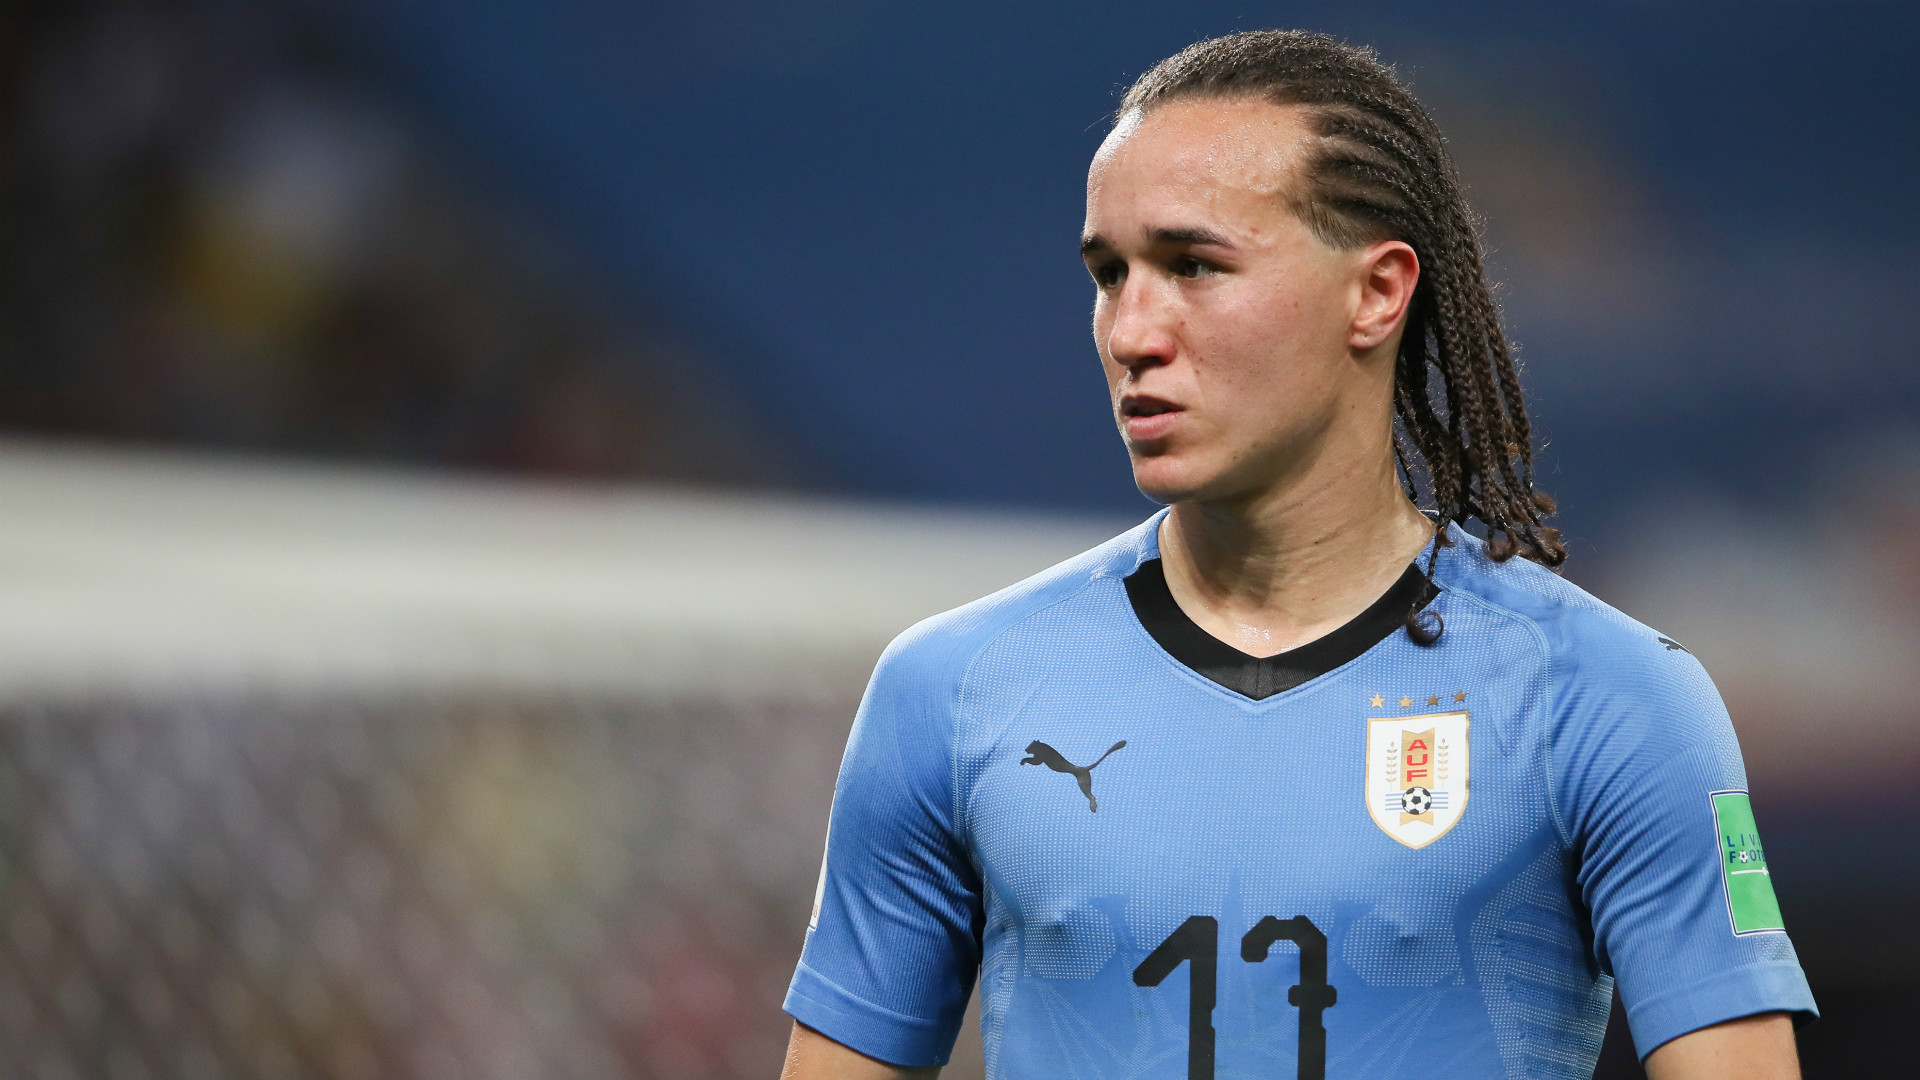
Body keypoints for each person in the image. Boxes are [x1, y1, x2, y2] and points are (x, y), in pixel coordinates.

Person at [779, 29, 1814, 1080]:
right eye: (1110, 273)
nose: (1132, 332)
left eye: (1193, 266)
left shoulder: (1606, 698)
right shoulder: (953, 690)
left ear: (1377, 293)